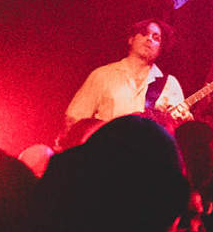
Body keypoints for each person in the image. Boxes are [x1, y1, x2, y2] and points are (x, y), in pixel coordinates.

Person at [59, 17, 188, 148]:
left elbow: (178, 134)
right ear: (130, 39)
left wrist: (183, 119)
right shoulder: (102, 75)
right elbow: (75, 119)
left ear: (160, 48)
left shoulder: (169, 84)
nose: (149, 39)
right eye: (144, 33)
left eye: (156, 38)